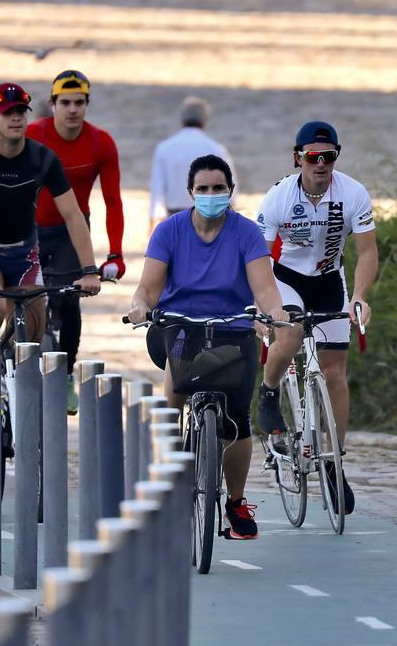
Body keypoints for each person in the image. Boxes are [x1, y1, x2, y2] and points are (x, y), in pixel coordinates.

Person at [127, 154, 289, 540]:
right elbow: (149, 286)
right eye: (203, 189)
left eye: (219, 188)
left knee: (236, 418)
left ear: (230, 192)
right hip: (179, 326)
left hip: (233, 329)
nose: (211, 195)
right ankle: (166, 485)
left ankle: (235, 501)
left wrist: (274, 313)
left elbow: (264, 287)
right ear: (190, 193)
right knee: (173, 395)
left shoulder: (246, 233)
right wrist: (140, 306)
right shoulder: (169, 231)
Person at [0, 83, 102, 422]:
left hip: (25, 253)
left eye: (21, 112)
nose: (15, 118)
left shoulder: (42, 159)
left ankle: (16, 390)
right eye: (7, 113)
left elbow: (73, 215)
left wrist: (89, 269)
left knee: (32, 335)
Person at [255, 121, 378, 515]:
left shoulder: (353, 192)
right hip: (286, 280)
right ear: (298, 158)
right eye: (313, 157)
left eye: (329, 156)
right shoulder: (278, 197)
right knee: (289, 337)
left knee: (336, 373)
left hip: (329, 279)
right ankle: (269, 391)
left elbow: (368, 252)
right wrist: (261, 307)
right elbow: (255, 259)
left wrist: (359, 296)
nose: (321, 164)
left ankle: (334, 463)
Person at [26, 70, 124, 413]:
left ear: (87, 105)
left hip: (73, 232)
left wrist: (114, 254)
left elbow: (113, 201)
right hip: (31, 228)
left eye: (79, 103)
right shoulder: (33, 135)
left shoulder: (101, 143)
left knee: (68, 303)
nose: (72, 110)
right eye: (64, 103)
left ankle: (66, 373)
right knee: (24, 299)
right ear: (52, 105)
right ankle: (14, 363)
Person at [149, 96, 233, 233]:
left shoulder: (164, 148)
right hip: (210, 219)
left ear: (182, 120)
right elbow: (229, 193)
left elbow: (157, 191)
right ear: (204, 120)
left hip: (174, 219)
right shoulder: (216, 149)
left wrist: (153, 225)